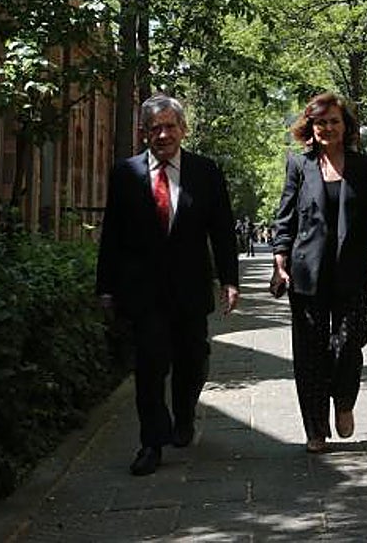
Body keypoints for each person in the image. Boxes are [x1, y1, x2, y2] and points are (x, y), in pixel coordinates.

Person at [96, 94, 239, 476]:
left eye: (170, 126)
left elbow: (222, 229)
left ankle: (185, 413)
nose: (163, 134)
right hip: (143, 291)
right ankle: (150, 443)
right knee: (149, 365)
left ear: (183, 129)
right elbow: (112, 235)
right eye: (155, 128)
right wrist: (106, 288)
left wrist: (230, 279)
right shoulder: (125, 174)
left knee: (193, 358)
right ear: (144, 133)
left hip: (190, 288)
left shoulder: (205, 172)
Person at [271, 93, 367, 453]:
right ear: (310, 129)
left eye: (334, 121)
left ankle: (344, 400)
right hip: (307, 272)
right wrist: (279, 259)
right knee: (310, 352)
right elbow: (285, 216)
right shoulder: (299, 165)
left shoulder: (365, 167)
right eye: (320, 122)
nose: (327, 128)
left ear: (345, 126)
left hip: (352, 271)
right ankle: (315, 428)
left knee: (349, 342)